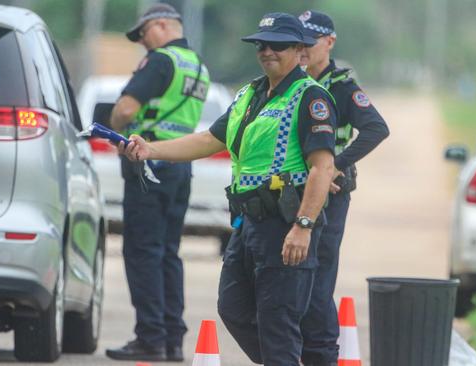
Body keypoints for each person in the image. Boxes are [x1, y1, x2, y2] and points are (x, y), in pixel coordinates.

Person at [119, 12, 338, 366]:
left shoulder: (310, 97)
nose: (267, 51)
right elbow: (209, 139)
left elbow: (322, 167)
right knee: (233, 307)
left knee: (277, 321)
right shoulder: (250, 94)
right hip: (248, 224)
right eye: (261, 45)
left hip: (285, 224)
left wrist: (304, 225)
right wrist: (150, 149)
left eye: (278, 45)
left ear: (300, 51)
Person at [104, 3, 210, 362]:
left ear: (162, 25)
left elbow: (126, 109)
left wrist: (116, 128)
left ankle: (150, 338)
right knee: (167, 252)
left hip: (148, 164)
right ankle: (171, 339)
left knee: (142, 251)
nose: (143, 43)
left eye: (144, 34)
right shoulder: (198, 65)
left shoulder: (161, 60)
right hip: (178, 166)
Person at [297, 10, 390, 366]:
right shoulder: (293, 83)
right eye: (298, 41)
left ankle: (322, 355)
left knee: (318, 280)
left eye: (310, 41)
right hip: (296, 195)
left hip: (331, 197)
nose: (302, 48)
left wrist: (337, 163)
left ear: (329, 42)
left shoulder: (341, 86)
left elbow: (376, 128)